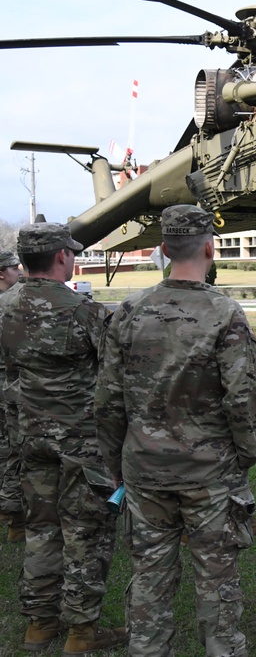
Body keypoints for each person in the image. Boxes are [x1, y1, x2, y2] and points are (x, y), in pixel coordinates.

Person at [96, 204, 256, 657]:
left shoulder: (129, 311)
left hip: (144, 469)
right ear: (210, 248)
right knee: (216, 579)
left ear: (164, 250)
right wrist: (247, 455)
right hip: (209, 474)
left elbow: (108, 400)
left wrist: (115, 464)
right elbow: (242, 398)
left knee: (150, 573)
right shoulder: (225, 313)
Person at [0, 223, 125, 653]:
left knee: (42, 530)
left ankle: (39, 625)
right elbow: (115, 378)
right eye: (70, 253)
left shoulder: (3, 307)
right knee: (85, 534)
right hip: (82, 444)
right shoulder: (85, 312)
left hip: (30, 438)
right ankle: (81, 633)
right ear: (60, 258)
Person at [0, 249, 24, 542]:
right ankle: (13, 516)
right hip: (10, 383)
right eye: (13, 269)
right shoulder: (12, 303)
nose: (19, 272)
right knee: (12, 449)